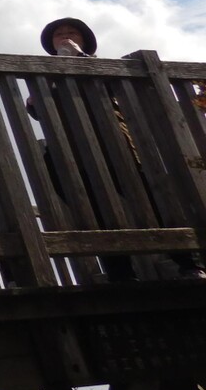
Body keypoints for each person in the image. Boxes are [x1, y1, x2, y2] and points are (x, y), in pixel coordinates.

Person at [38, 17, 205, 282]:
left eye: (72, 33)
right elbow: (35, 108)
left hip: (117, 144)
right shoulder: (43, 74)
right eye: (59, 35)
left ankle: (187, 261)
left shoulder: (103, 66)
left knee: (153, 199)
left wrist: (78, 57)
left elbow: (117, 91)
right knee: (94, 211)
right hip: (71, 154)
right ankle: (120, 271)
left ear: (85, 41)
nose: (65, 37)